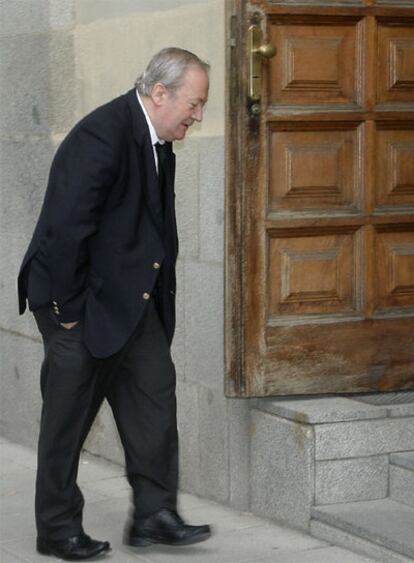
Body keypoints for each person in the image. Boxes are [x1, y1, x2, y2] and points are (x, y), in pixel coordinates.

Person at [17, 47, 211, 561]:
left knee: (154, 397)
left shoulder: (156, 138)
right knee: (68, 418)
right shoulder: (103, 134)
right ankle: (57, 529)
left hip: (130, 299)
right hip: (79, 298)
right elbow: (64, 228)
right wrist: (67, 309)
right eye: (194, 104)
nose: (198, 115)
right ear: (160, 92)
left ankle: (154, 514)